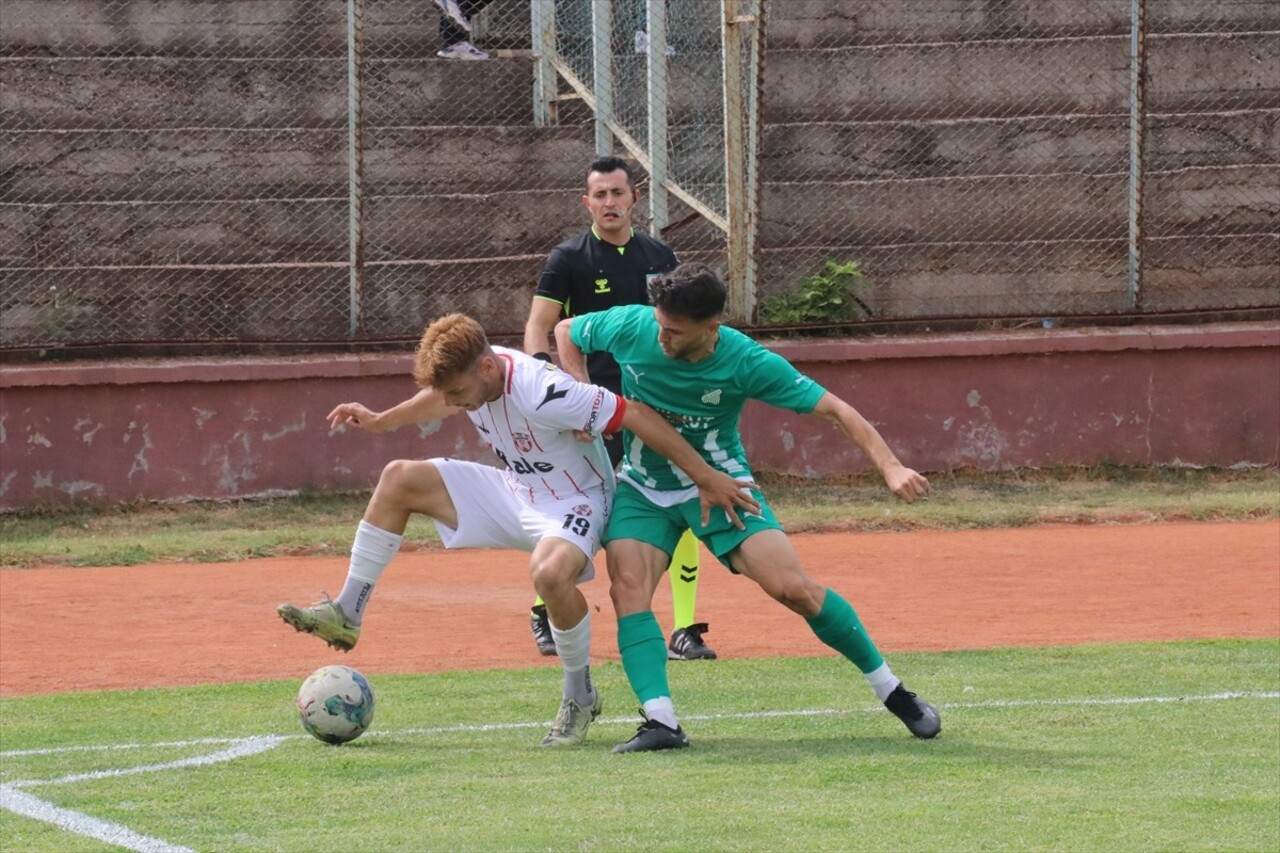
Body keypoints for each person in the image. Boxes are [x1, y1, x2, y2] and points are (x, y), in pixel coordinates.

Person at [277, 313, 756, 749]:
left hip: (577, 499)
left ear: (486, 368)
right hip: (516, 490)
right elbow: (440, 400)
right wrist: (383, 421)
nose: (454, 405)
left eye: (459, 394)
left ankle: (579, 696)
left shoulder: (544, 390)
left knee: (548, 575)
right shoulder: (473, 378)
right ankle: (347, 612)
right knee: (400, 477)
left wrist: (704, 476)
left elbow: (634, 414)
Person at [554, 263, 943, 753]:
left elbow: (836, 410)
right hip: (644, 487)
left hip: (721, 488)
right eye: (659, 324)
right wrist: (583, 393)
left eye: (674, 332)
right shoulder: (635, 324)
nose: (662, 338)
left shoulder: (745, 361)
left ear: (711, 327)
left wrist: (891, 467)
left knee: (793, 589)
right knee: (628, 590)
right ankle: (661, 722)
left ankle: (894, 692)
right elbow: (566, 330)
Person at [524, 155, 717, 663]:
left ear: (635, 198)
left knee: (680, 497)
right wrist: (556, 391)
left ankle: (684, 629)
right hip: (587, 405)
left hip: (650, 404)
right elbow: (538, 325)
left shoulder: (659, 255)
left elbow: (680, 324)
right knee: (579, 505)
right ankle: (546, 606)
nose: (610, 202)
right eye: (600, 195)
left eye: (618, 193)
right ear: (587, 203)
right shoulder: (568, 258)